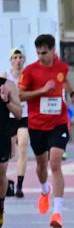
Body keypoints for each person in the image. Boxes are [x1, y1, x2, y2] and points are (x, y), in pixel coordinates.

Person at [17, 34, 70, 228]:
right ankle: (44, 189)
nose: (41, 56)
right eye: (38, 52)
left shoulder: (62, 67)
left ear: (53, 50)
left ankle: (57, 212)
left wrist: (73, 94)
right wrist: (41, 91)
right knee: (41, 167)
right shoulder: (30, 71)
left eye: (45, 52)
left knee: (55, 162)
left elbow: (64, 82)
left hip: (59, 122)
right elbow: (20, 95)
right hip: (37, 125)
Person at [6, 47, 28, 198]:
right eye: (15, 57)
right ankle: (6, 182)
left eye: (20, 57)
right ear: (11, 61)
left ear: (24, 60)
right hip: (9, 118)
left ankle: (19, 186)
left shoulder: (28, 76)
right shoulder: (5, 77)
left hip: (25, 117)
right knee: (10, 154)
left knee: (23, 146)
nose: (18, 60)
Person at [0, 68, 21, 227]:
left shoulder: (7, 85)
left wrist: (7, 101)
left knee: (1, 175)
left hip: (1, 136)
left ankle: (0, 207)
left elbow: (19, 113)